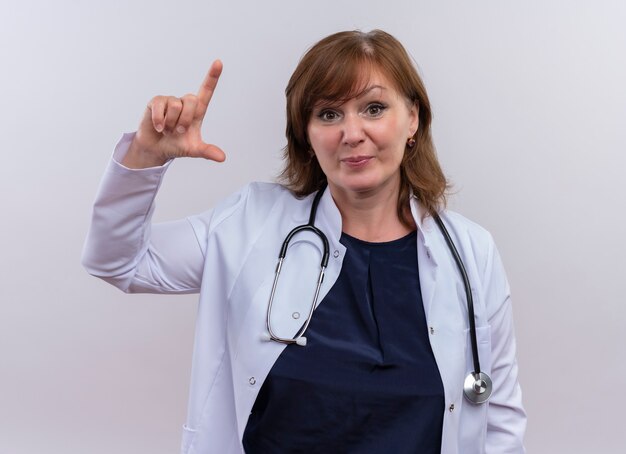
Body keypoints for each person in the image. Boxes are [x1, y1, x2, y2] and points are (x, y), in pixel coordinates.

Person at [82, 30, 526, 454]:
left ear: (412, 118)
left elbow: (500, 420)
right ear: (307, 136)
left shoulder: (471, 253)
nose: (351, 133)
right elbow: (119, 260)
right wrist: (146, 154)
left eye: (373, 108)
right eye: (328, 114)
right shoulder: (250, 224)